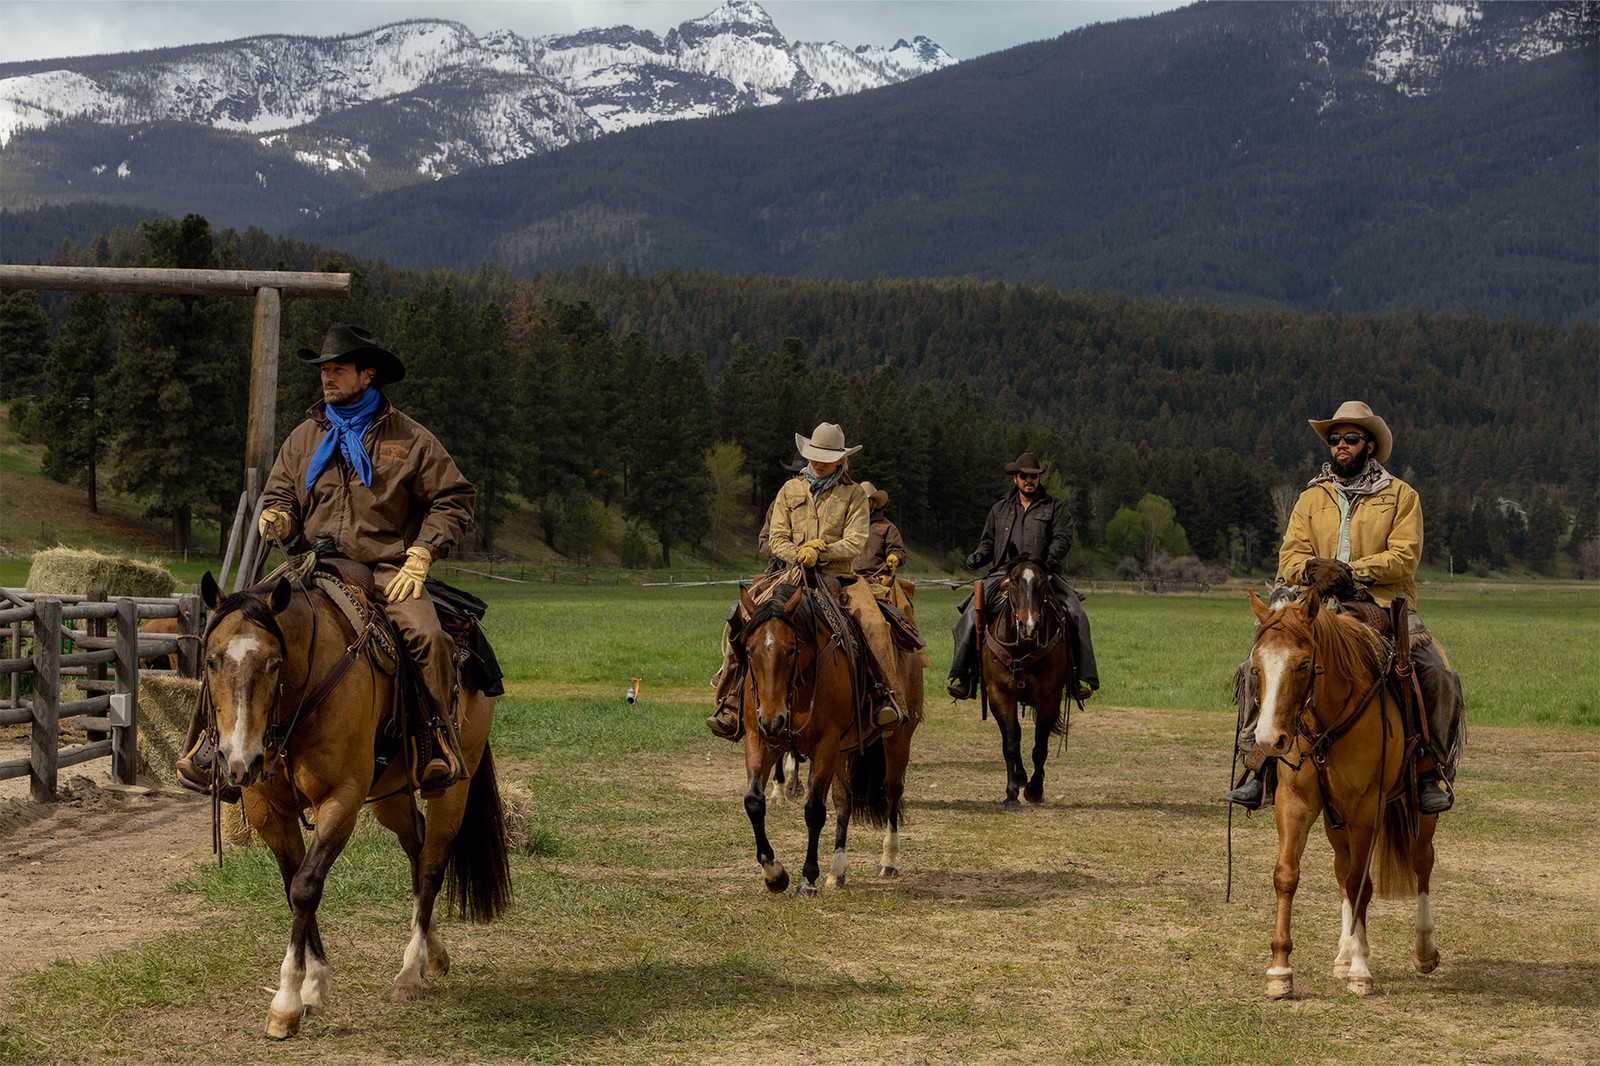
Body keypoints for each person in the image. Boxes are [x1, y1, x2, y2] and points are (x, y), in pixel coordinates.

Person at [177, 324, 475, 794]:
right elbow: (279, 492)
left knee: (428, 635)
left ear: (367, 375)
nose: (327, 378)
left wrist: (422, 553)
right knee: (231, 628)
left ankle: (434, 741)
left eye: (338, 369)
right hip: (309, 568)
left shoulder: (411, 439)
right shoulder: (304, 437)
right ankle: (207, 746)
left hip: (385, 569)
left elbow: (454, 498)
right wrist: (278, 516)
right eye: (324, 371)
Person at [1223, 401, 1465, 814]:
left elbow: (1404, 556)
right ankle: (1258, 764)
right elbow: (1290, 557)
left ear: (1369, 445)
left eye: (1351, 439)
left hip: (1381, 603)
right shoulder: (1311, 497)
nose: (1341, 446)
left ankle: (1429, 769)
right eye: (1335, 439)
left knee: (1435, 672)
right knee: (1256, 666)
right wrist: (1313, 569)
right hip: (1313, 604)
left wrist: (1351, 573)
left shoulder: (1401, 496)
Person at [706, 423, 910, 741]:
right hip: (790, 573)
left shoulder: (854, 494)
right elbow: (776, 538)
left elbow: (856, 541)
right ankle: (731, 698)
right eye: (814, 456)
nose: (818, 462)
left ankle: (885, 696)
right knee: (745, 619)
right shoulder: (790, 491)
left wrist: (823, 551)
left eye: (826, 457)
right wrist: (799, 552)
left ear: (840, 460)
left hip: (841, 577)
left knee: (873, 624)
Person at [946, 452, 1099, 703]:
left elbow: (1063, 539)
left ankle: (1078, 678)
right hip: (1003, 573)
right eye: (1024, 476)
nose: (1029, 480)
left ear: (1038, 478)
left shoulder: (1055, 507)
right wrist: (978, 556)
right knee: (971, 615)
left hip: (1043, 573)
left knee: (1076, 614)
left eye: (1033, 476)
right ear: (1015, 478)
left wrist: (1045, 562)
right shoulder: (1000, 509)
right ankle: (965, 678)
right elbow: (988, 542)